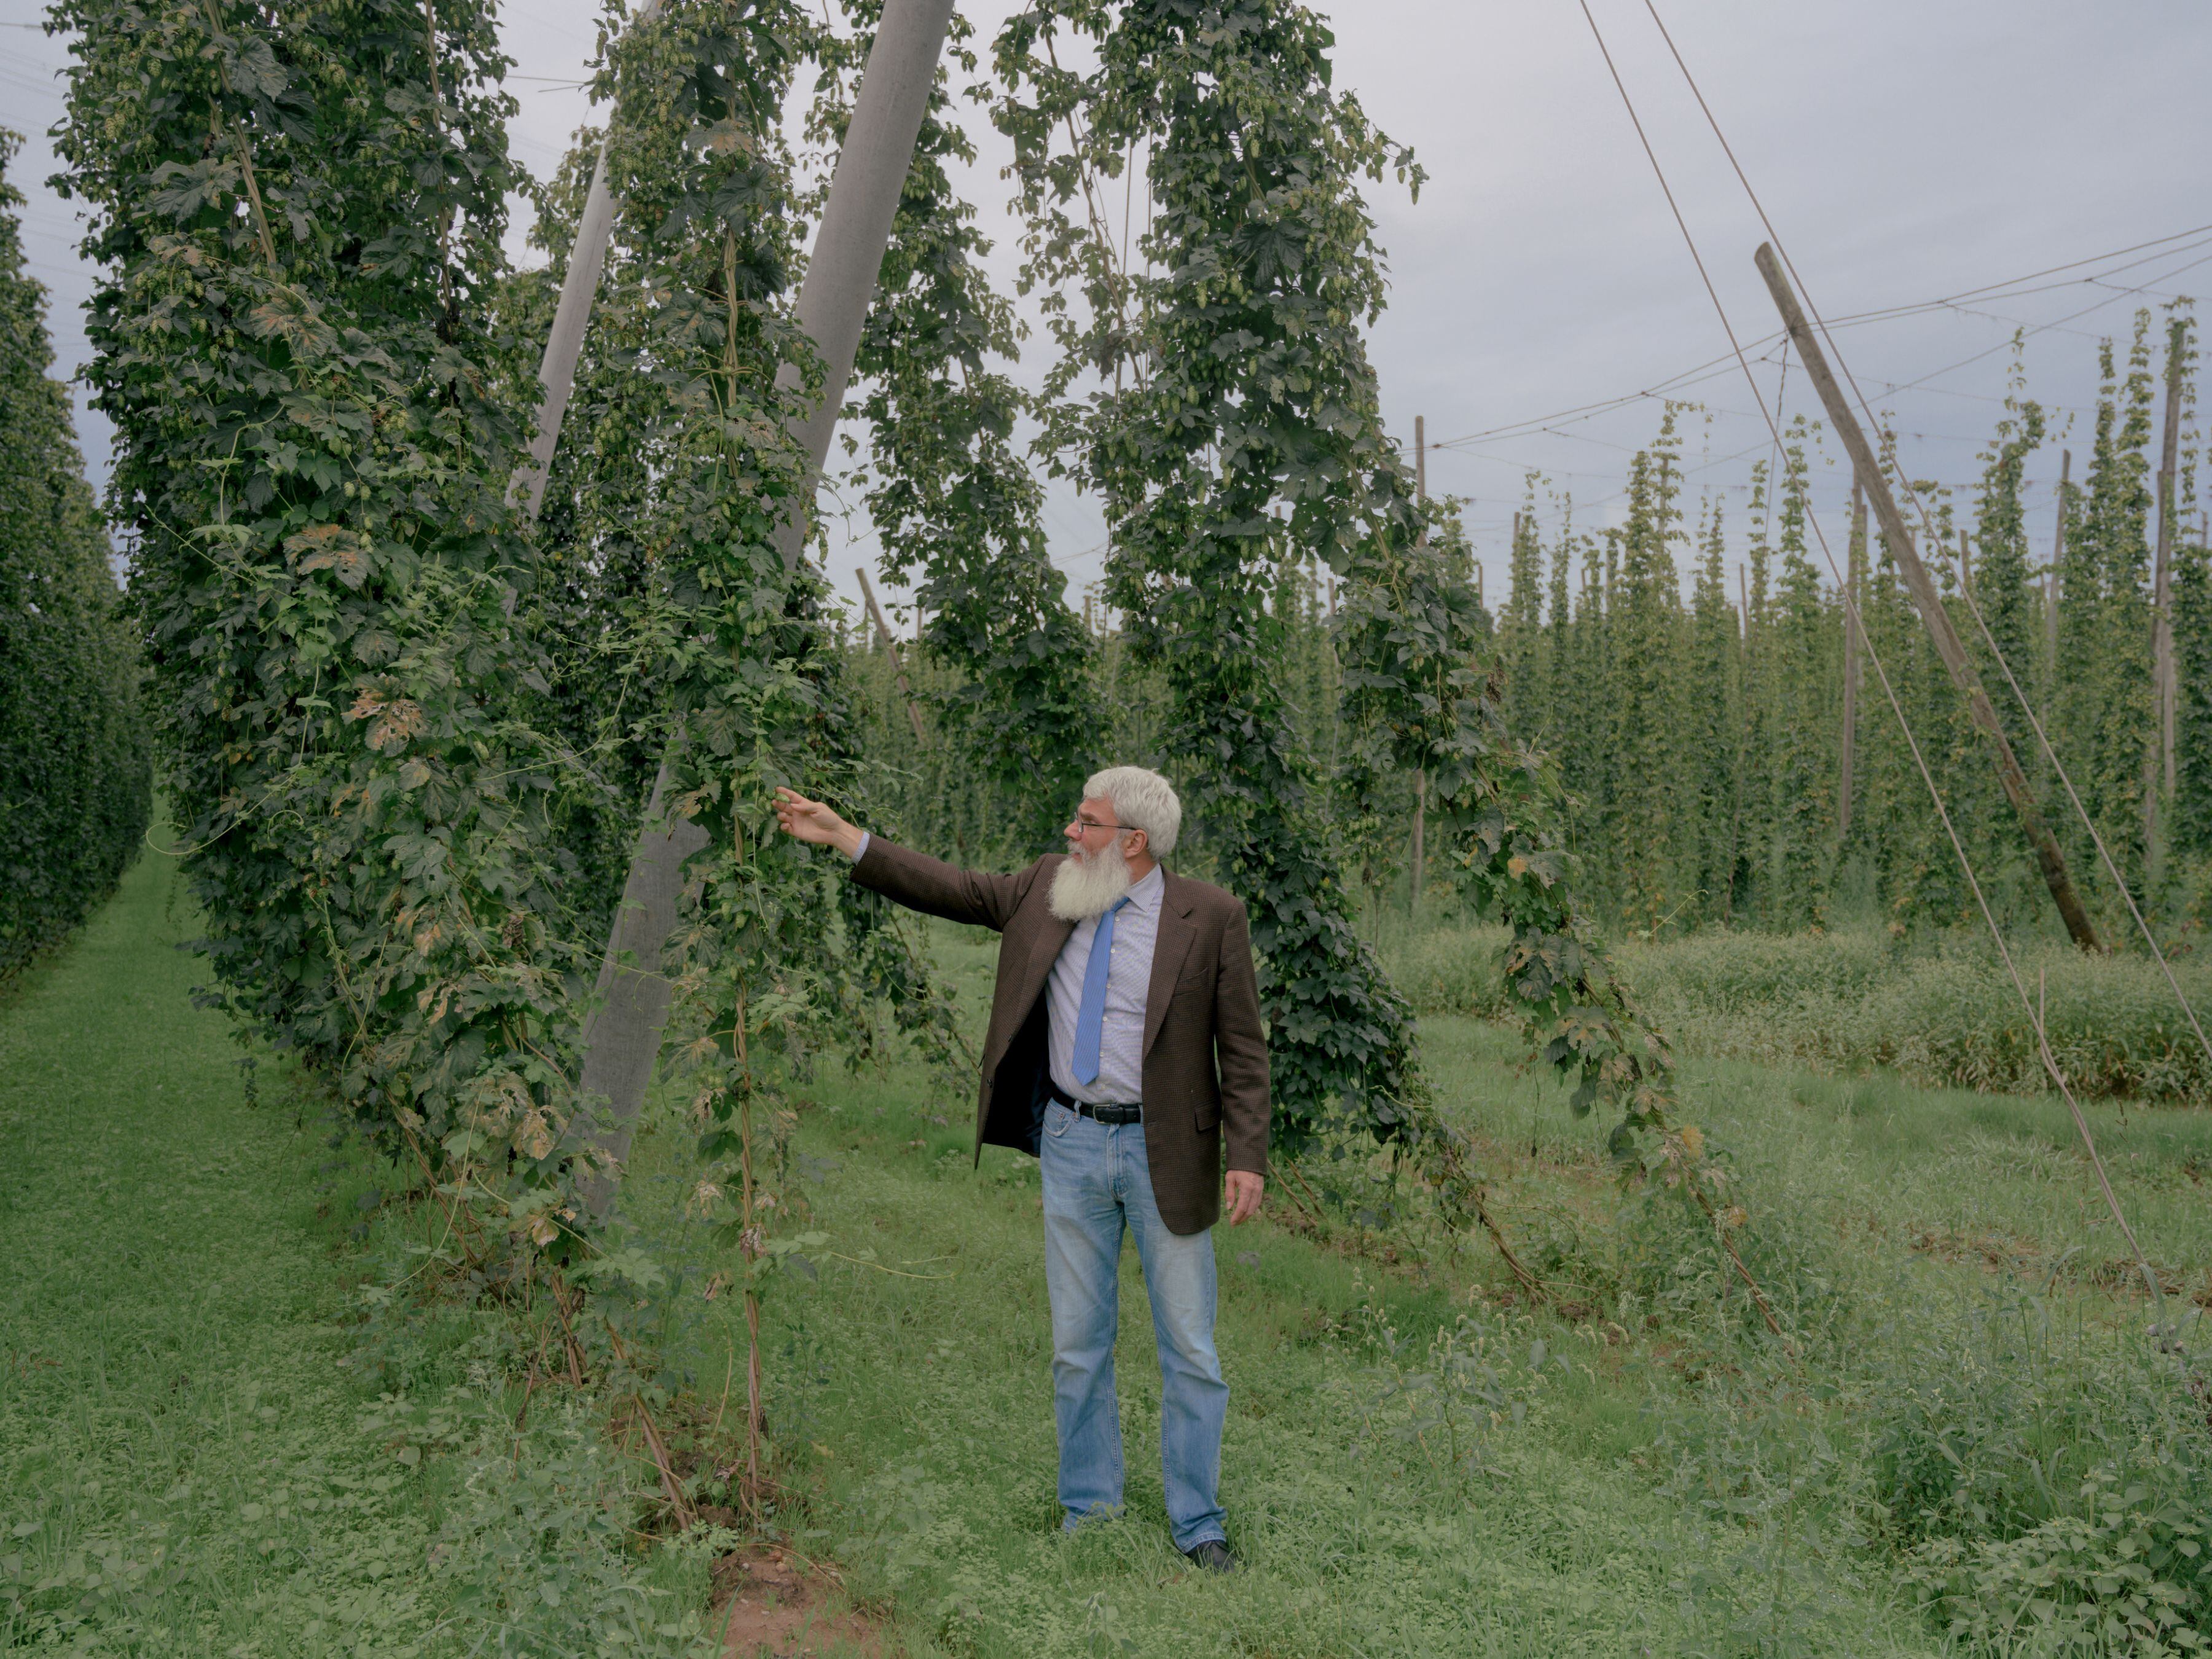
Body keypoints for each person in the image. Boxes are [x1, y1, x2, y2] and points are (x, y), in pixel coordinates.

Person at [771, 766, 1269, 1572]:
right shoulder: (1049, 886)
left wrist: (1246, 1155)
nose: (1070, 833)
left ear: (1133, 843)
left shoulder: (1209, 918)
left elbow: (1243, 1048)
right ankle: (1090, 1508)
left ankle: (1198, 1522)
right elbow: (955, 889)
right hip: (1073, 1145)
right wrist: (845, 839)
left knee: (1191, 1349)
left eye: (1087, 822)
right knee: (1078, 1342)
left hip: (1165, 1152)